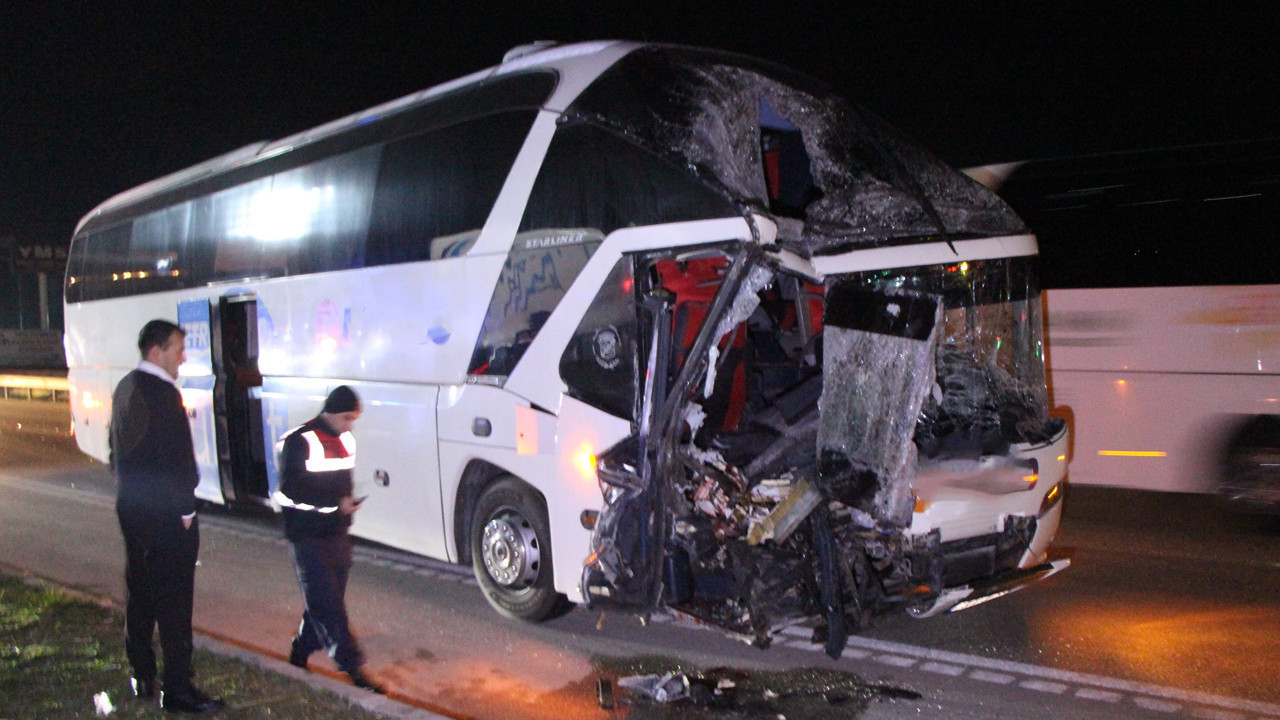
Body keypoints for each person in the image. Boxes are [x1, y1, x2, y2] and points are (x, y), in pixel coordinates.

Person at [111, 319, 224, 713]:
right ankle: (177, 688)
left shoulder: (125, 387)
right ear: (156, 351)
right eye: (179, 348)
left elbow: (117, 450)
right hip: (165, 516)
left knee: (140, 592)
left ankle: (142, 671)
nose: (184, 356)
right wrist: (187, 510)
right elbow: (179, 461)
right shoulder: (162, 394)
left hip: (132, 507)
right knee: (175, 601)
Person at [273, 385, 384, 694]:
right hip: (306, 536)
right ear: (333, 411)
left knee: (322, 603)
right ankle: (355, 671)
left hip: (336, 535)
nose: (351, 425)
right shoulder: (299, 441)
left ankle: (299, 651)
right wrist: (336, 505)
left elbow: (342, 482)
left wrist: (345, 507)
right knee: (330, 606)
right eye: (348, 417)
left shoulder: (345, 439)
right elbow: (290, 493)